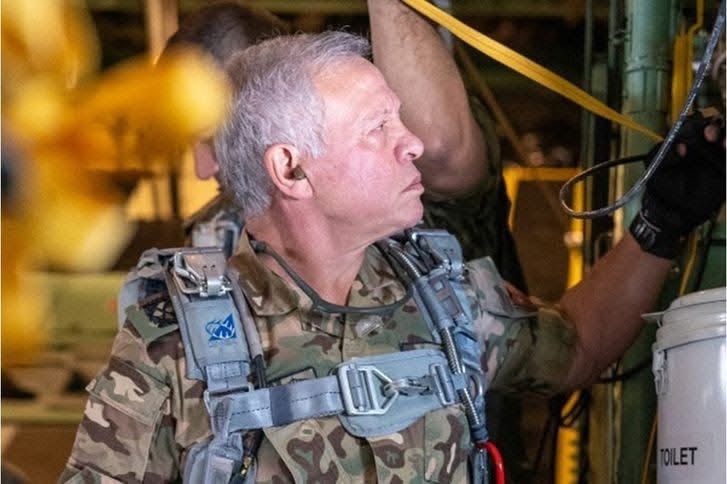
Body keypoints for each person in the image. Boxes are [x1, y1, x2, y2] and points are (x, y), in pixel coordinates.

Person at [60, 31, 724, 484]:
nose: (411, 144)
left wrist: (659, 223)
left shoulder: (442, 299)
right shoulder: (179, 338)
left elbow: (575, 347)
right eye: (377, 127)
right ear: (291, 169)